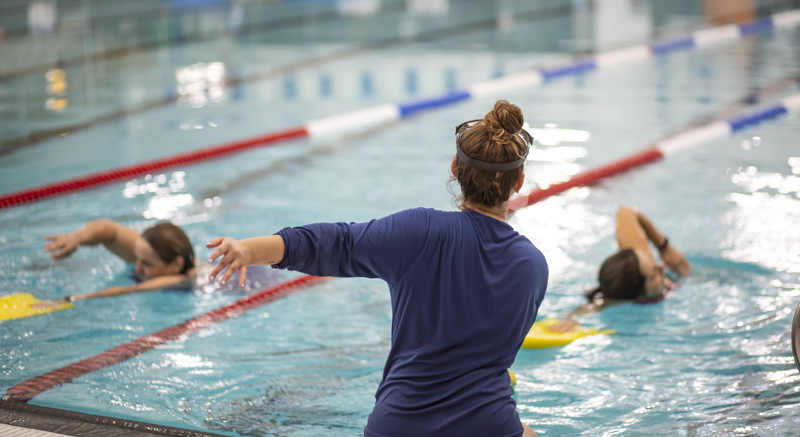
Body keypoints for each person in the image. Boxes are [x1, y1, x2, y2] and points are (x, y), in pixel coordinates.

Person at [206, 100, 548, 437]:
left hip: (399, 425)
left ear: (455, 170)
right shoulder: (533, 266)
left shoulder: (420, 232)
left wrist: (249, 250)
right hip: (489, 426)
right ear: (519, 182)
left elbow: (335, 244)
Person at [552, 205, 691, 330]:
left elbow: (626, 211)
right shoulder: (620, 299)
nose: (661, 266)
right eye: (653, 276)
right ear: (639, 296)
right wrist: (572, 318)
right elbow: (594, 306)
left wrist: (663, 247)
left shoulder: (638, 261)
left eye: (653, 265)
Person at [43, 219, 196, 303]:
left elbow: (126, 290)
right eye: (137, 258)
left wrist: (69, 300)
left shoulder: (184, 280)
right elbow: (109, 229)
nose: (137, 268)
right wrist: (75, 238)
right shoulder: (150, 248)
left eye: (146, 264)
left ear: (176, 265)